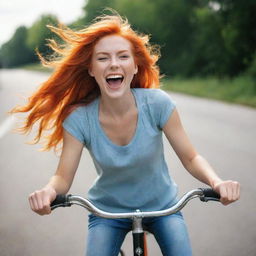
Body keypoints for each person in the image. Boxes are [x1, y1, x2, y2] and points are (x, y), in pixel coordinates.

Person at [12, 13, 240, 256]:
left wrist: (217, 182)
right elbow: (62, 178)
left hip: (163, 207)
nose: (113, 64)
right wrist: (49, 191)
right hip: (107, 212)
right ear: (90, 69)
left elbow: (192, 158)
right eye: (102, 58)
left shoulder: (158, 104)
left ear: (134, 66)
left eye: (123, 56)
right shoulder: (79, 119)